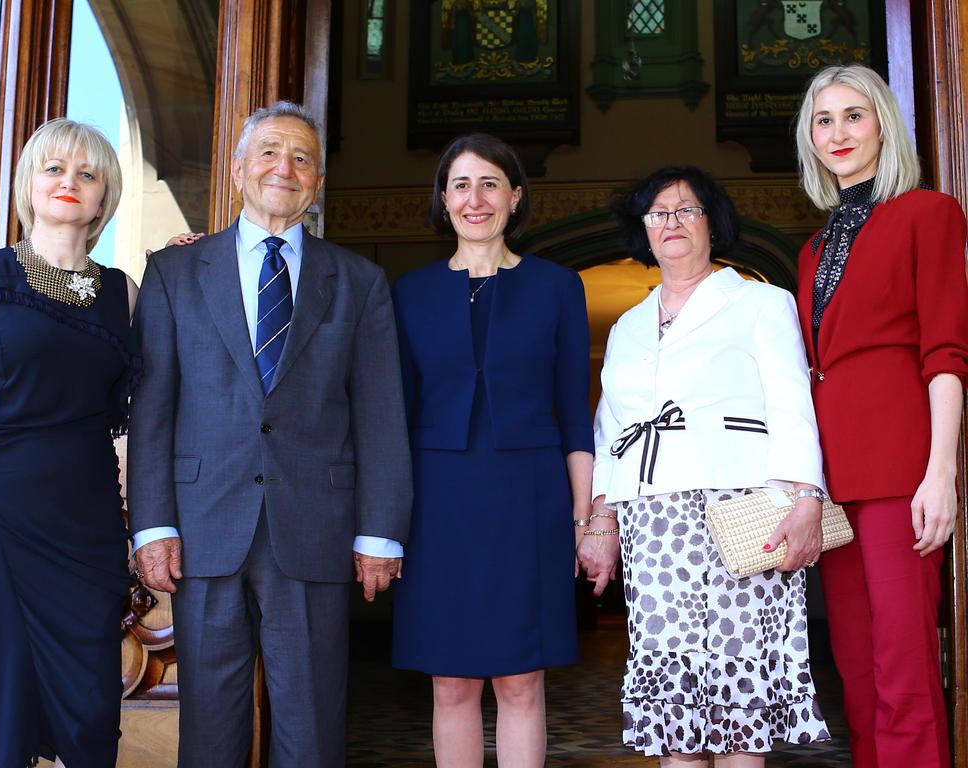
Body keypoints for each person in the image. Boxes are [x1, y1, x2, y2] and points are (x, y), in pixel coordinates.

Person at [127, 100, 412, 768]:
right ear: (237, 170)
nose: (284, 167)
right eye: (269, 152)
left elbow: (379, 414)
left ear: (315, 182)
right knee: (210, 724)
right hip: (201, 529)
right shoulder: (173, 274)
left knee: (312, 723)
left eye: (301, 157)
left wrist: (380, 531)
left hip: (315, 525)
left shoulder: (361, 282)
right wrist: (152, 525)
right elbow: (153, 407)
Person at [579, 165, 831, 766]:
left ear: (712, 224)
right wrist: (600, 521)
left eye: (687, 210)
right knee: (675, 703)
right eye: (658, 212)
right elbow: (611, 429)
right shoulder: (628, 326)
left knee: (737, 697)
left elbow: (793, 403)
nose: (672, 222)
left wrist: (807, 498)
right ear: (643, 229)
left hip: (741, 511)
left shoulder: (760, 303)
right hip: (655, 524)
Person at [390, 133, 594, 766]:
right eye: (459, 185)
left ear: (515, 197)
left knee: (521, 679)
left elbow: (575, 417)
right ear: (443, 200)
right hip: (436, 506)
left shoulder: (558, 287)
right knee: (449, 681)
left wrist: (584, 521)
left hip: (530, 503)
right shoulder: (408, 293)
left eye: (489, 184)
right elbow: (391, 417)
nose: (474, 199)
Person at [0, 118, 138, 767]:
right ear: (28, 184)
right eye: (54, 168)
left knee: (88, 713)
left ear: (104, 197)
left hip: (84, 531)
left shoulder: (124, 296)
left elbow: (149, 411)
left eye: (87, 173)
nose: (69, 182)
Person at [794, 64, 968, 768]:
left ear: (883, 126)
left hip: (902, 471)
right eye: (823, 120)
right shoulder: (812, 249)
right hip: (832, 484)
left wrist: (941, 473)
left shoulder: (929, 213)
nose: (838, 132)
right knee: (857, 669)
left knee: (903, 661)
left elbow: (947, 354)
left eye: (853, 115)